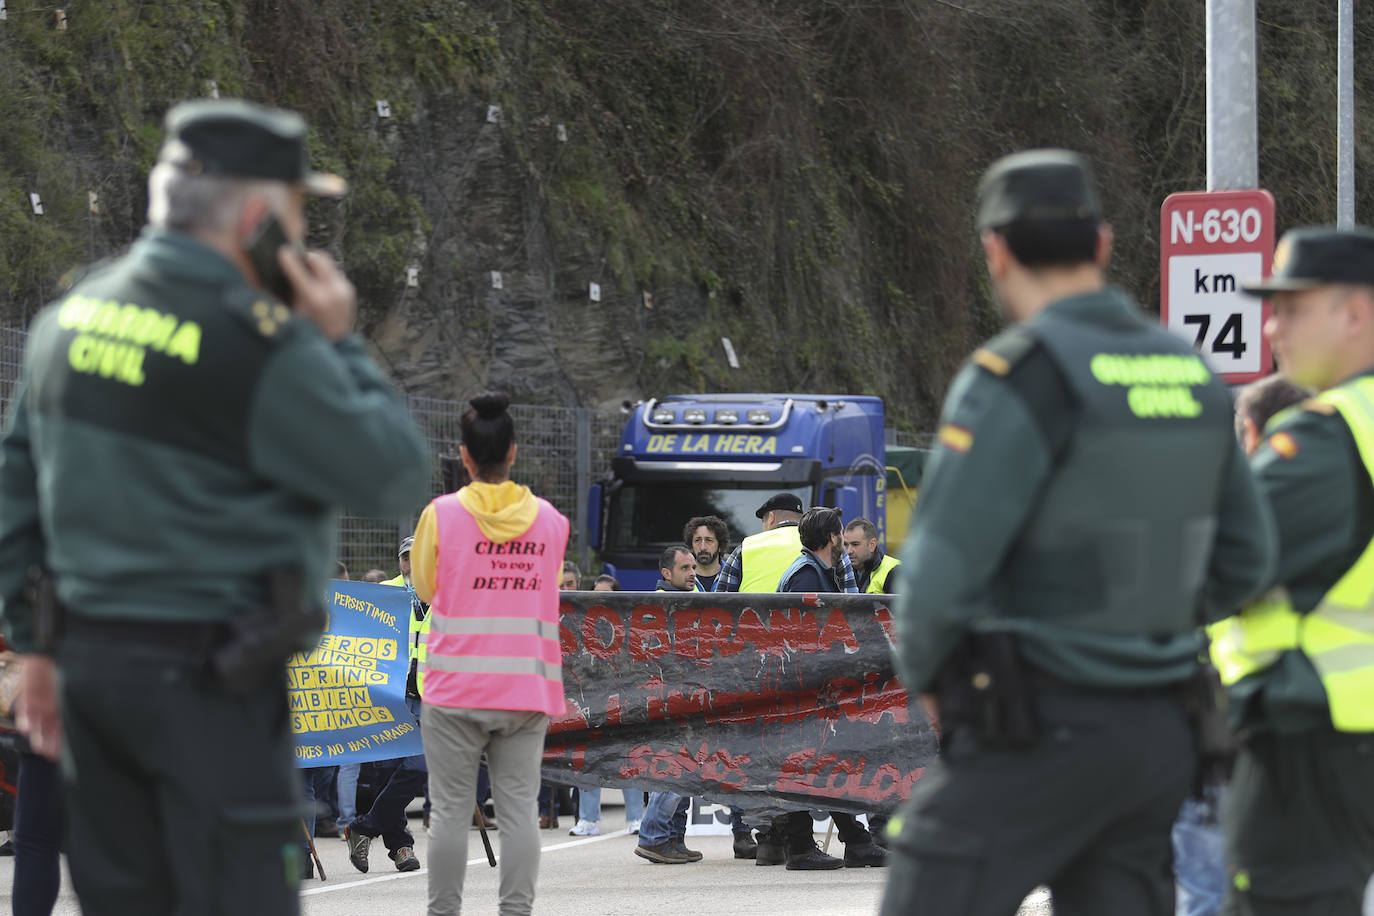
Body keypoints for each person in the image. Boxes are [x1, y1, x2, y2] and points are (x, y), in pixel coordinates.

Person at [0, 98, 432, 914]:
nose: (304, 234)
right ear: (261, 215)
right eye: (300, 211)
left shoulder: (69, 319)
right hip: (212, 687)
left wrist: (39, 653)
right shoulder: (256, 339)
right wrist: (338, 340)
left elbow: (17, 505)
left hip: (95, 682)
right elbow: (394, 477)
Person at [880, 149, 1276, 916]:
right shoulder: (1190, 374)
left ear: (995, 251)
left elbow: (940, 569)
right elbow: (1248, 560)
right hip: (1163, 730)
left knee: (930, 886)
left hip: (1037, 723)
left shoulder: (1021, 374)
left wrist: (933, 678)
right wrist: (1142, 624)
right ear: (1102, 243)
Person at [1208, 227, 1374, 915]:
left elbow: (1210, 565)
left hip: (1307, 741)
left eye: (1294, 308)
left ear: (1357, 313)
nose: (1272, 326)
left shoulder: (1324, 436)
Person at [412, 392, 570, 916]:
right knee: (520, 811)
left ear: (464, 456)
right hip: (526, 686)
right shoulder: (550, 521)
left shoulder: (440, 515)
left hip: (455, 687)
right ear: (514, 453)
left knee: (451, 813)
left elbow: (428, 588)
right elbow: (544, 588)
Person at [1172, 373, 1306, 916]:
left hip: (1225, 722)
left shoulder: (1225, 510)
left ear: (1248, 432)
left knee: (1208, 888)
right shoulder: (1345, 495)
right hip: (1325, 729)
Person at [757, 507, 888, 870]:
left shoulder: (815, 572)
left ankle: (852, 841)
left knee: (823, 764)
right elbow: (805, 638)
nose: (843, 541)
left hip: (811, 688)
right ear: (832, 538)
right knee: (810, 764)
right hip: (804, 689)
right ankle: (805, 847)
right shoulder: (807, 577)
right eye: (840, 534)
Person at [345, 535, 431, 873]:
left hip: (430, 696)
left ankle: (363, 827)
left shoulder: (443, 595)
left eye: (417, 556)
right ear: (399, 561)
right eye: (406, 558)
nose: (411, 564)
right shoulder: (384, 592)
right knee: (385, 773)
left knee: (419, 767)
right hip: (389, 694)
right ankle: (401, 848)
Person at [633, 546, 705, 864]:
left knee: (684, 769)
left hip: (682, 696)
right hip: (671, 699)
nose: (693, 573)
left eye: (693, 567)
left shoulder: (687, 598)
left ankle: (672, 839)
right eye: (685, 568)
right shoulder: (662, 606)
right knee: (676, 768)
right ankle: (653, 836)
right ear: (667, 574)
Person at [713, 493, 861, 594]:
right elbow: (851, 597)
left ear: (771, 518)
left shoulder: (745, 548)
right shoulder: (827, 545)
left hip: (750, 634)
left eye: (763, 521)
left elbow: (721, 599)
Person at [843, 517, 901, 594]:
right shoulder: (844, 572)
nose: (849, 551)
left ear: (872, 545)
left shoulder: (894, 572)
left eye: (855, 544)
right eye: (846, 545)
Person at [683, 516, 728, 592]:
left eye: (709, 540)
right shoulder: (681, 577)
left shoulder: (733, 576)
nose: (702, 547)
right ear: (691, 546)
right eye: (697, 540)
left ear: (720, 546)